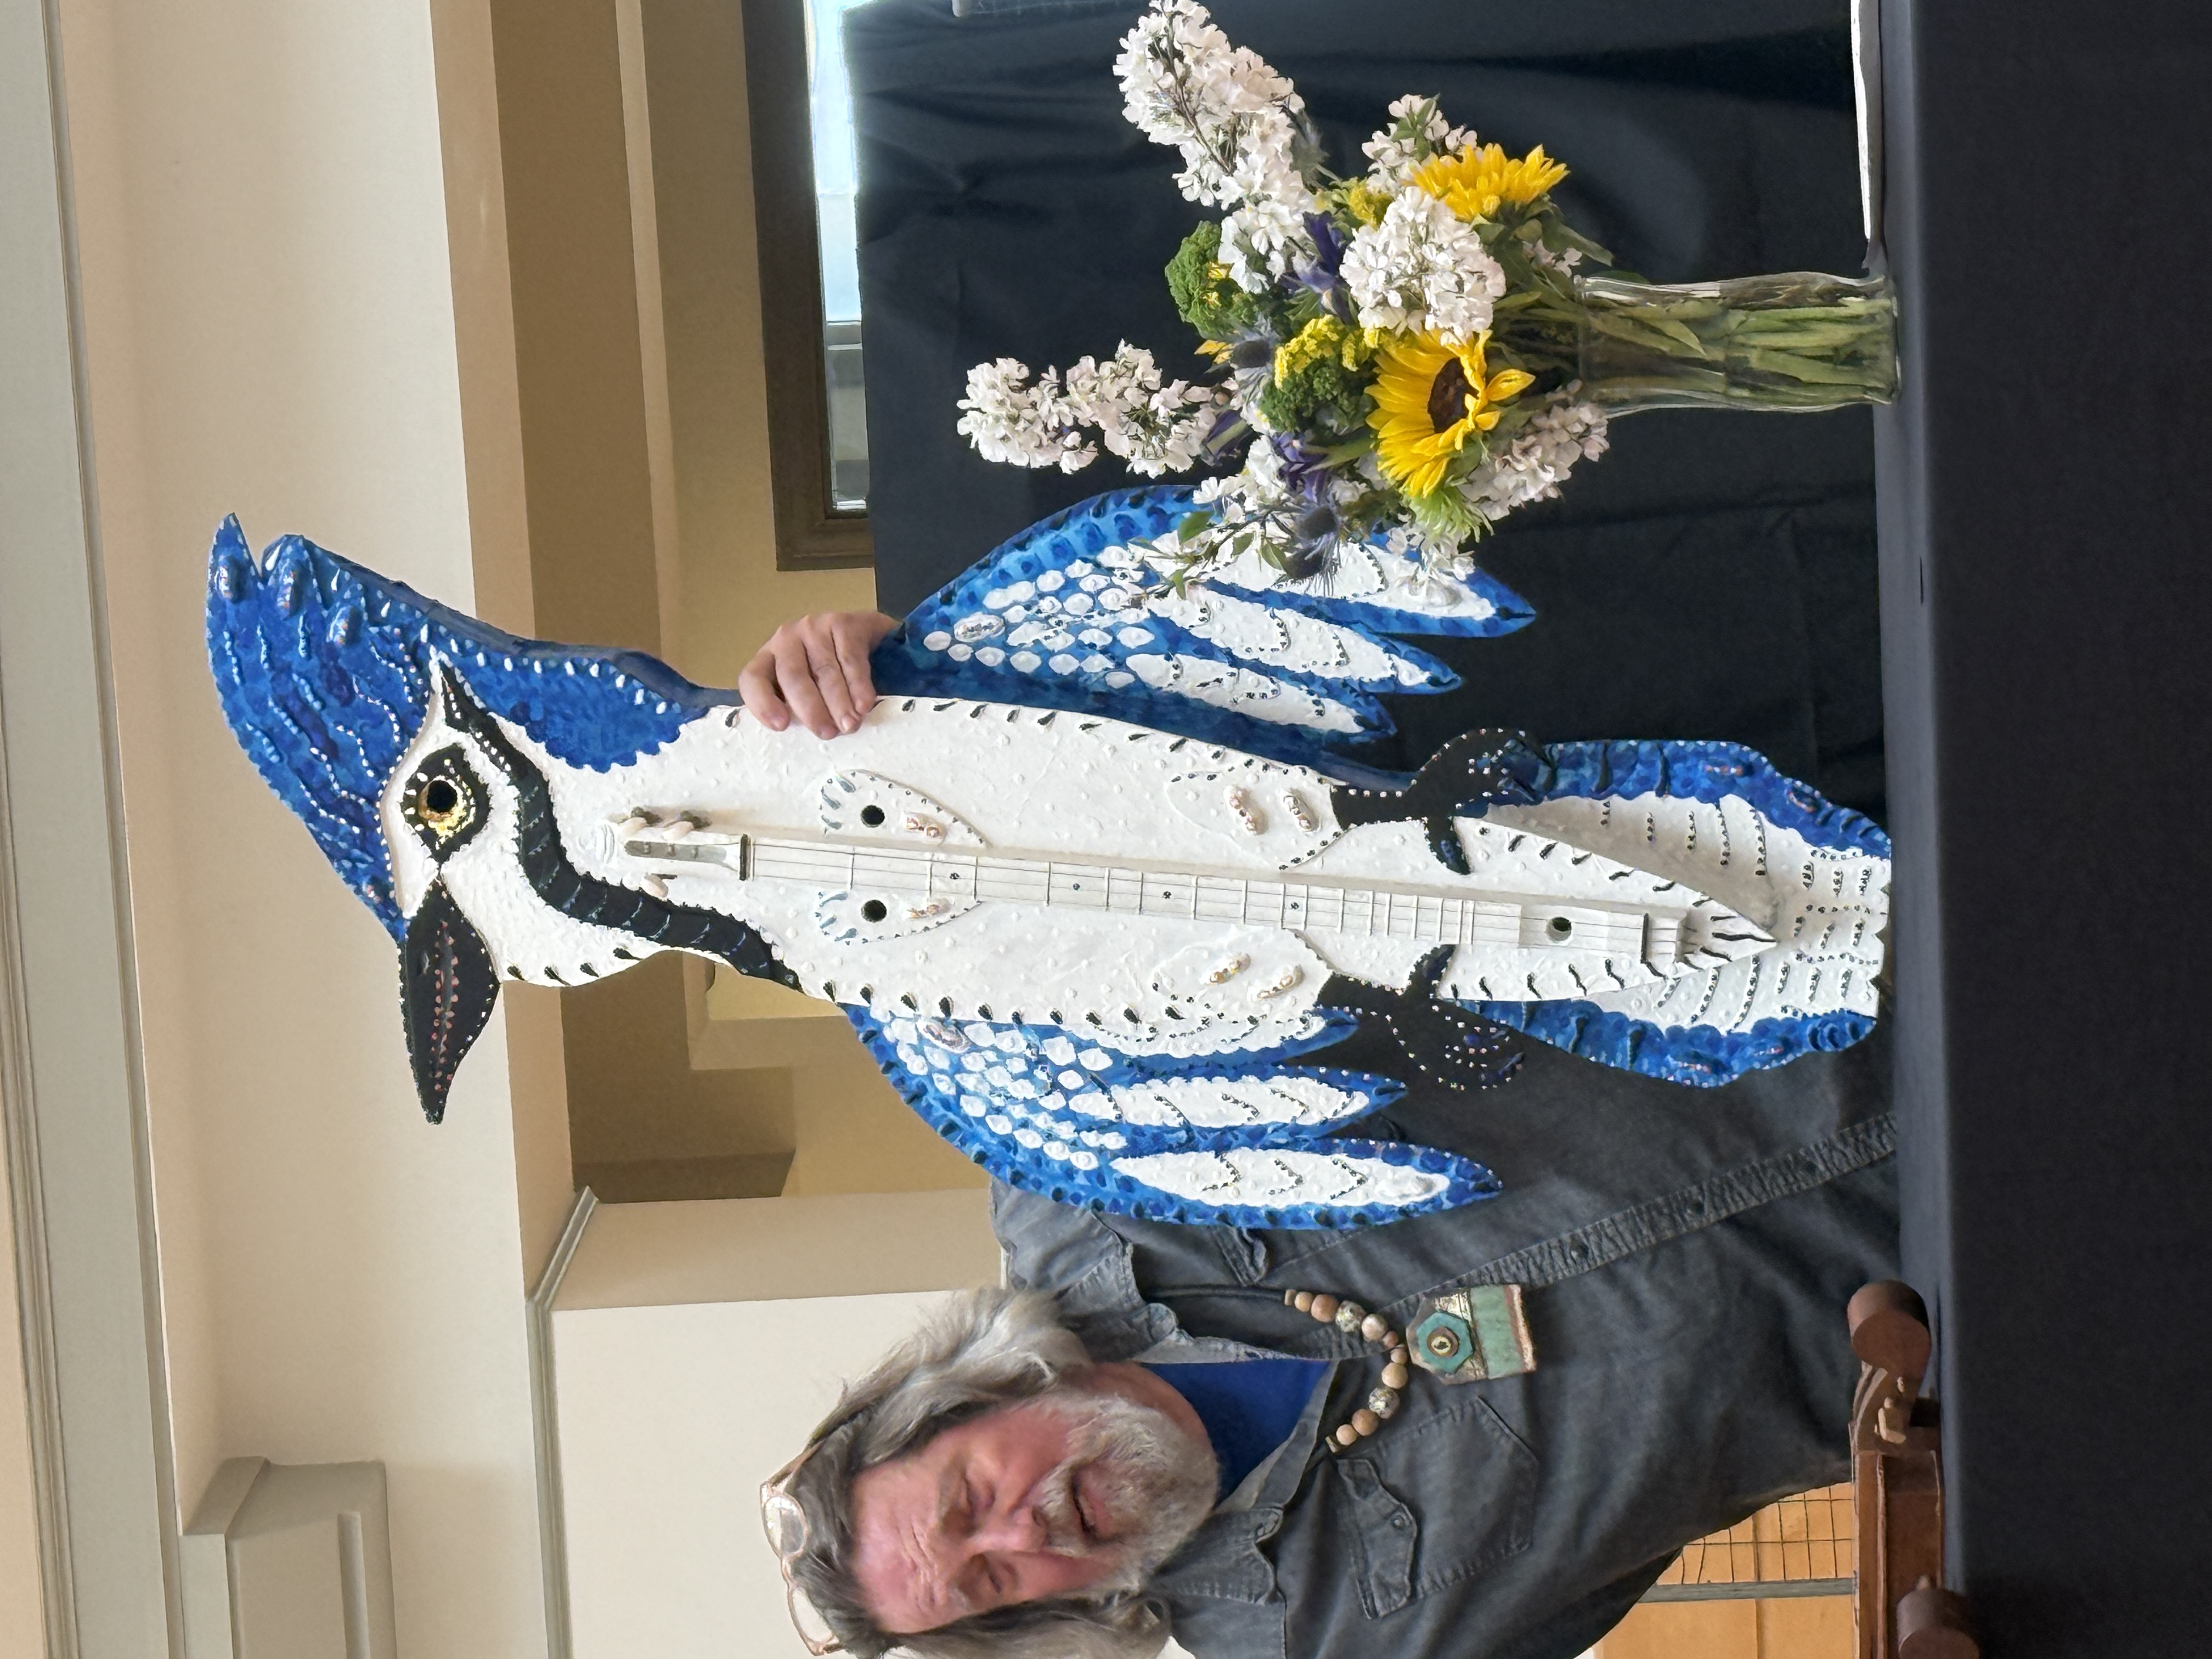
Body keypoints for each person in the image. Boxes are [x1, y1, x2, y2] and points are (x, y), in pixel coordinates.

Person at [747, 618, 1899, 1659]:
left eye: (966, 1498)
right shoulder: (1320, 1638)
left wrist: (866, 690)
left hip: (1863, 974)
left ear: (973, 1398)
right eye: (988, 1579)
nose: (1023, 1525)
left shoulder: (1069, 1147)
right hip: (1973, 1300)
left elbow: (1044, 790)